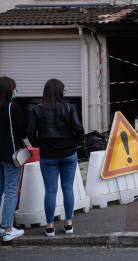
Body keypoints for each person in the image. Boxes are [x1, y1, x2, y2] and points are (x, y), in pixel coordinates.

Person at [27, 79, 85, 237]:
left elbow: (30, 132)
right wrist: (76, 143)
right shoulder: (69, 107)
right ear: (60, 92)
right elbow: (79, 129)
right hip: (68, 153)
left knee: (50, 190)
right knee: (68, 188)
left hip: (48, 155)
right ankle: (68, 224)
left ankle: (50, 227)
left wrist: (39, 144)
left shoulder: (36, 110)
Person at [0, 76, 26, 241]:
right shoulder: (12, 107)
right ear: (9, 90)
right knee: (10, 190)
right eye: (14, 88)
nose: (15, 91)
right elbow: (22, 130)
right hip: (10, 154)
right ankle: (8, 228)